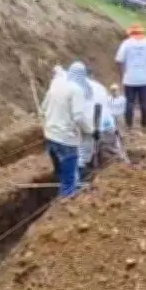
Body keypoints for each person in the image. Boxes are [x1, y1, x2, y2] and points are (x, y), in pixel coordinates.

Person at [40, 61, 96, 197]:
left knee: (61, 174)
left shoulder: (57, 84)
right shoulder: (77, 90)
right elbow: (78, 117)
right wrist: (90, 130)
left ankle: (60, 198)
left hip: (50, 137)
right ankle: (66, 203)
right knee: (70, 180)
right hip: (66, 140)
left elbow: (43, 108)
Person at [114, 23, 146, 132]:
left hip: (129, 78)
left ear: (131, 32)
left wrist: (122, 72)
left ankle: (129, 126)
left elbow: (118, 60)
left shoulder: (126, 43)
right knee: (144, 102)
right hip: (145, 78)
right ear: (142, 32)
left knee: (129, 102)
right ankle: (145, 125)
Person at [78, 72, 125, 178]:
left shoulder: (78, 89)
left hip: (93, 127)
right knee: (111, 157)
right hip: (107, 126)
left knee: (84, 156)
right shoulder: (99, 87)